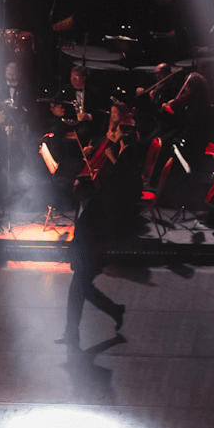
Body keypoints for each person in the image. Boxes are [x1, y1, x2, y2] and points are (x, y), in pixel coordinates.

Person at [57, 116, 138, 347]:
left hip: (90, 259)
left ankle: (72, 334)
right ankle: (114, 311)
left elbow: (91, 239)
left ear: (84, 192)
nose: (73, 191)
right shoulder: (83, 205)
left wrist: (75, 255)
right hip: (85, 258)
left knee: (76, 294)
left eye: (76, 188)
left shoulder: (93, 213)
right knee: (83, 293)